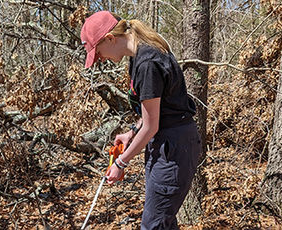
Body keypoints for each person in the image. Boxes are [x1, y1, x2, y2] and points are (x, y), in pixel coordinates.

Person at [80, 11, 202, 229]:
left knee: (153, 225)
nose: (100, 59)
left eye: (98, 52)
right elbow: (153, 113)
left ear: (110, 38)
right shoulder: (138, 57)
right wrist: (131, 133)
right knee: (162, 222)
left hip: (174, 148)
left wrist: (121, 163)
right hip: (165, 142)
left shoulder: (148, 62)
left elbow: (151, 126)